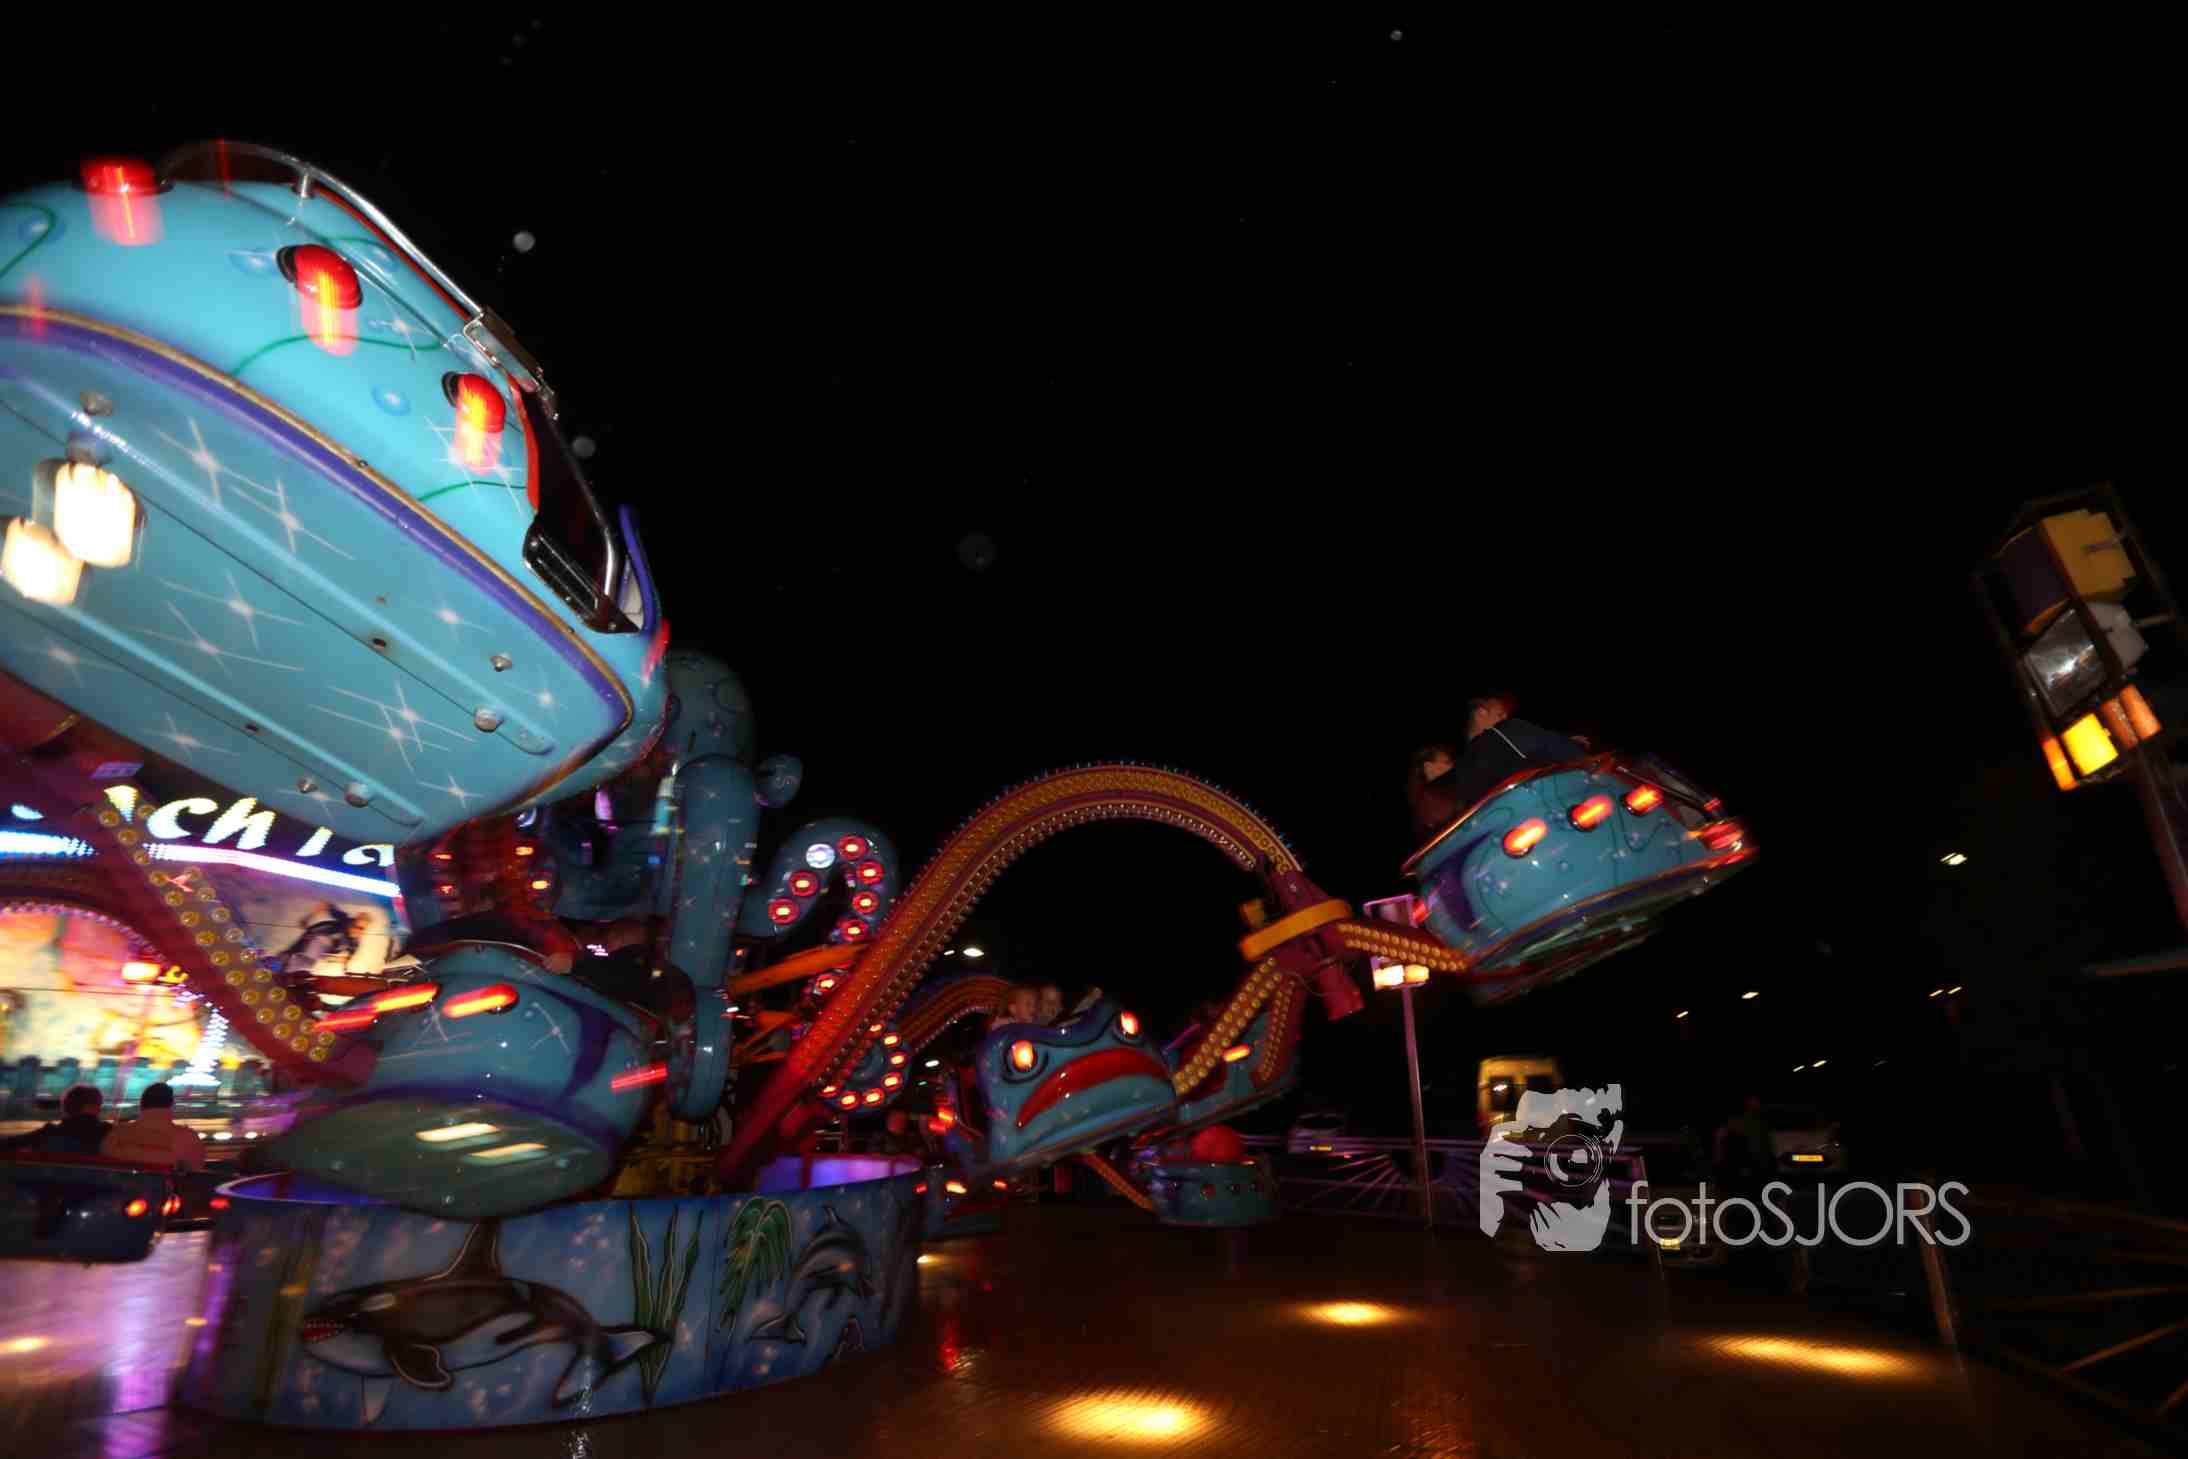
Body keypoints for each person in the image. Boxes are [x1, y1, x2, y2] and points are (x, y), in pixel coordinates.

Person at [1441, 693, 1590, 813]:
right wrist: (1571, 743)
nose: (1504, 719)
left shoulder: (1460, 767)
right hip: (1552, 809)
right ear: (1481, 713)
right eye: (1500, 714)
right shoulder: (1505, 731)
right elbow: (1570, 753)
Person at [99, 1083, 207, 1173]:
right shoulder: (187, 1138)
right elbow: (194, 1169)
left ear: (142, 1104)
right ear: (171, 1104)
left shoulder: (117, 1135)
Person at [0, 1083, 111, 1155]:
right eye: (99, 1105)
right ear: (94, 1107)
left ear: (66, 1107)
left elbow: (7, 1144)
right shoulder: (110, 1135)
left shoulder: (47, 1134)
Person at [1406, 743, 1463, 839]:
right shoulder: (1429, 799)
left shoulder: (1420, 797)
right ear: (1428, 767)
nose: (1452, 766)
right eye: (1447, 762)